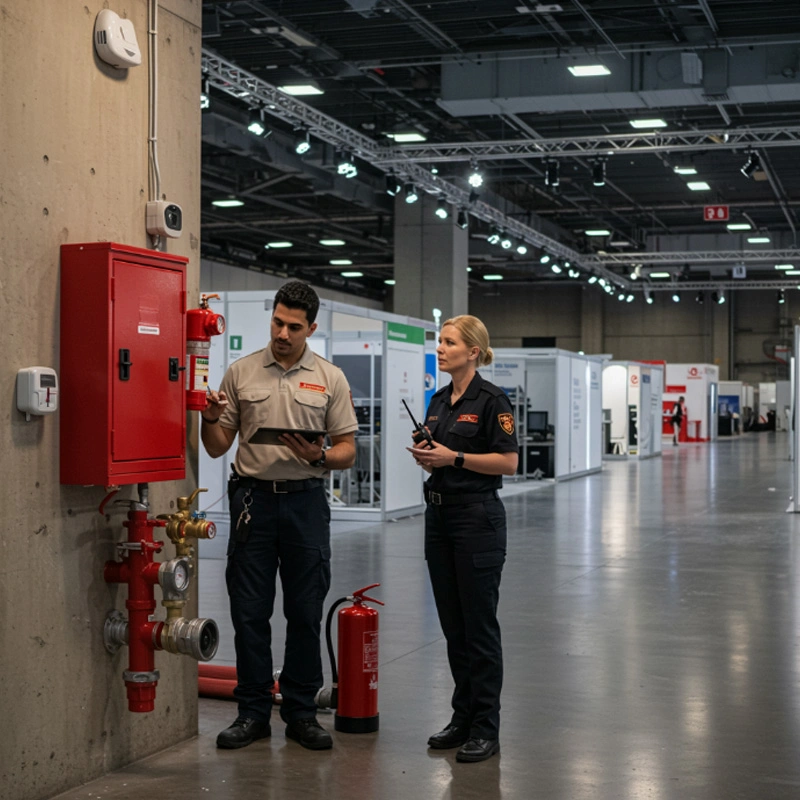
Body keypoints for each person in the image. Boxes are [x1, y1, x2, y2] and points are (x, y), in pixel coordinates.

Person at [202, 281, 357, 751]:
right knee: (249, 612)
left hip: (306, 503)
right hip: (252, 503)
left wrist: (320, 456)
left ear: (311, 328)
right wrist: (209, 417)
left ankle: (301, 713)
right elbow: (217, 446)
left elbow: (348, 450)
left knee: (305, 612)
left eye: (294, 326)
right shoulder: (242, 372)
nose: (283, 333)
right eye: (277, 322)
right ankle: (252, 712)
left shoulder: (330, 378)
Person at [407, 315, 518, 763]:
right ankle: (462, 716)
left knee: (479, 629)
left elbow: (508, 463)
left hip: (477, 522)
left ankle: (485, 728)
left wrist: (454, 458)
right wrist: (429, 454)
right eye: (440, 341)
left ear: (473, 351)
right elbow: (447, 457)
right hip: (440, 521)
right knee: (454, 629)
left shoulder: (493, 400)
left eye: (449, 342)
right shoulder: (438, 401)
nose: (441, 347)